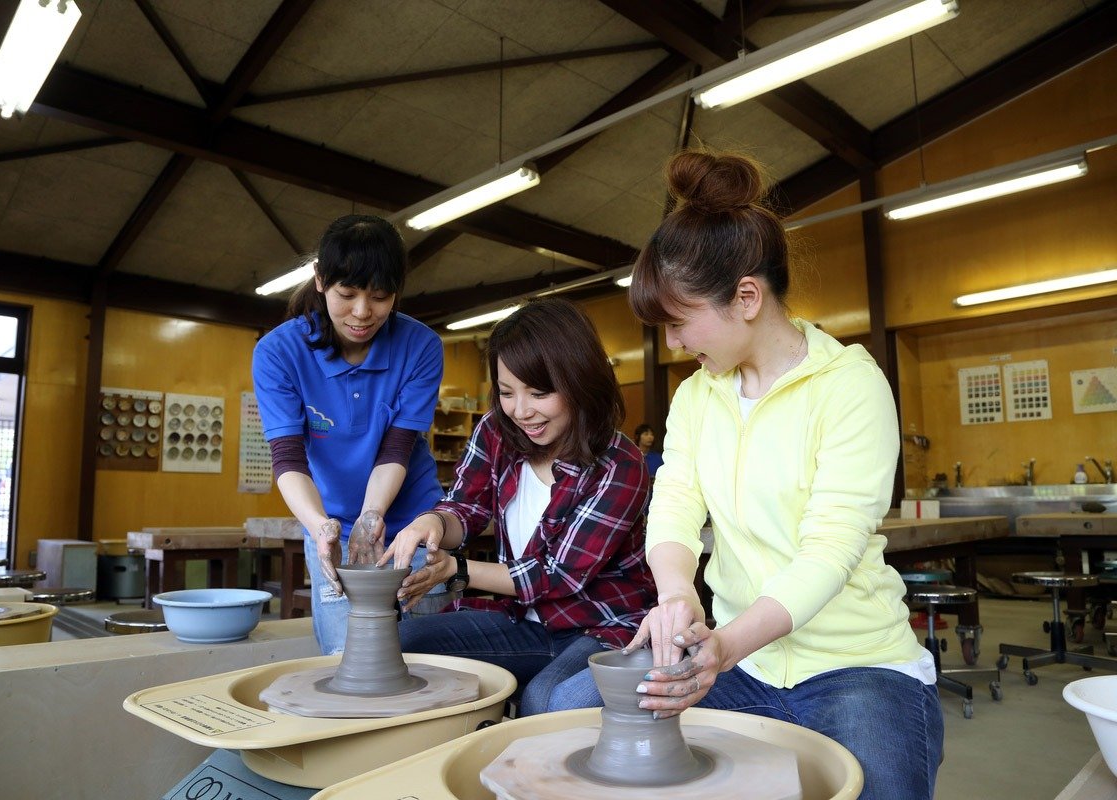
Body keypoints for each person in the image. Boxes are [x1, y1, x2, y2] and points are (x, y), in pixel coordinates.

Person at [548, 150, 941, 800]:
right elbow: (674, 502)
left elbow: (832, 546)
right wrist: (677, 595)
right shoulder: (702, 394)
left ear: (747, 297)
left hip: (856, 665)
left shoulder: (849, 386)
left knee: (882, 788)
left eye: (679, 322)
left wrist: (722, 647)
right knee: (570, 704)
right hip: (737, 660)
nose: (673, 343)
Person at [382, 298, 655, 716]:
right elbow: (466, 509)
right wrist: (434, 521)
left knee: (546, 702)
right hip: (524, 619)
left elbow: (559, 575)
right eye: (507, 393)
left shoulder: (620, 463)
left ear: (580, 381)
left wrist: (460, 569)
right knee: (397, 645)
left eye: (540, 393)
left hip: (603, 626)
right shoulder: (496, 430)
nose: (522, 411)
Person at [252, 214, 444, 655]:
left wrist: (372, 516)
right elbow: (288, 459)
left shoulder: (420, 347)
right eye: (347, 294)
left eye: (379, 297)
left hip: (414, 522)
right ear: (321, 281)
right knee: (347, 657)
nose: (362, 312)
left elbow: (397, 447)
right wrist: (323, 527)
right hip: (330, 526)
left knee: (427, 659)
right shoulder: (279, 353)